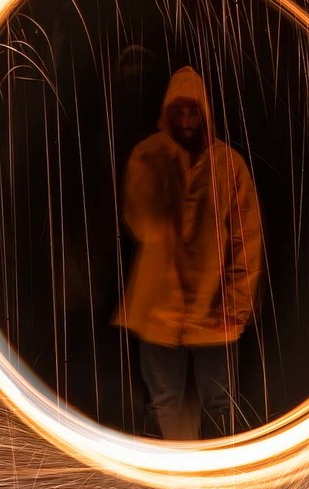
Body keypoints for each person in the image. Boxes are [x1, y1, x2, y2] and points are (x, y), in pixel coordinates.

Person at [113, 65, 263, 441]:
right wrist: (164, 174)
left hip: (215, 312)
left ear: (205, 113)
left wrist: (236, 304)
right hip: (159, 311)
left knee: (221, 404)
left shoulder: (229, 165)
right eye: (177, 111)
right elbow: (140, 225)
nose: (185, 120)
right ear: (166, 113)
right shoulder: (148, 156)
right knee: (163, 403)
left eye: (192, 111)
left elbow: (247, 239)